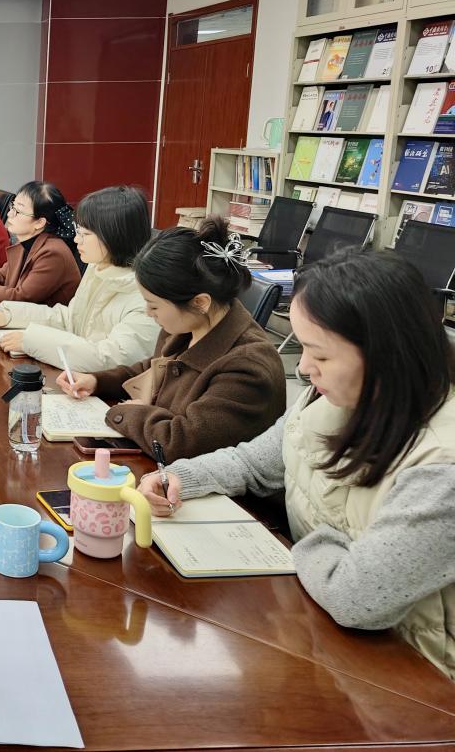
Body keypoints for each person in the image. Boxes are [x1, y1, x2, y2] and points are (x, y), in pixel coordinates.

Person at [137, 249, 455, 680]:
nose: (303, 369)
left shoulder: (442, 468)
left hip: (411, 676)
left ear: (388, 355)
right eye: (302, 349)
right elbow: (254, 461)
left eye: (319, 355)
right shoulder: (327, 398)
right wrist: (179, 476)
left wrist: (295, 546)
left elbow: (356, 598)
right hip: (319, 630)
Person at [57, 218, 286, 461]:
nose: (148, 312)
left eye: (154, 305)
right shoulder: (191, 324)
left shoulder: (248, 368)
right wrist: (97, 381)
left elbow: (182, 442)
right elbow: (153, 369)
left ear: (200, 302)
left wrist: (128, 414)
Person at [0, 185, 157, 371]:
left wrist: (32, 341)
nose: (76, 239)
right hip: (78, 376)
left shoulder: (146, 296)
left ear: (114, 237)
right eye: (78, 231)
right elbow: (70, 319)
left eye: (85, 234)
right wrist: (10, 316)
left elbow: (109, 358)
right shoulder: (98, 267)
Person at [0, 180, 80, 305]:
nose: (9, 214)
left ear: (40, 223)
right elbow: (2, 275)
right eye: (12, 206)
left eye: (18, 211)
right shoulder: (27, 241)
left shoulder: (53, 254)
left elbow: (21, 298)